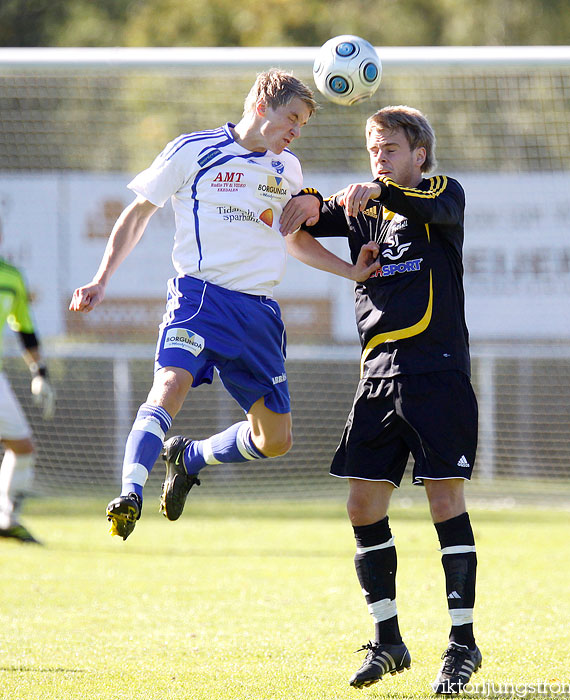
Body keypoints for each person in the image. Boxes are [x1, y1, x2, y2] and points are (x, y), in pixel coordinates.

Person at [69, 69, 379, 542]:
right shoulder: (194, 150)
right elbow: (138, 213)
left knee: (275, 441)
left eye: (302, 124)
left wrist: (349, 270)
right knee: (170, 385)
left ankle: (190, 458)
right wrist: (100, 278)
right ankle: (130, 492)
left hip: (258, 312)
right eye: (291, 118)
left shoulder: (288, 169)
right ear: (261, 107)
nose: (296, 131)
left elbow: (293, 239)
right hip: (201, 298)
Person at [279, 105, 481, 694]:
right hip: (377, 376)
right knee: (362, 507)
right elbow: (294, 230)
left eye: (390, 147)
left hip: (437, 372)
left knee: (445, 501)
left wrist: (372, 192)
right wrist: (314, 203)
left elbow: (423, 203)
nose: (380, 156)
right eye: (373, 148)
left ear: (419, 155)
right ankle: (389, 641)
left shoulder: (442, 194)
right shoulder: (365, 210)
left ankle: (463, 645)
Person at [0, 258, 55, 544]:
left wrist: (39, 372)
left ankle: (5, 520)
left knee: (22, 447)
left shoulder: (11, 276)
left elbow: (24, 328)